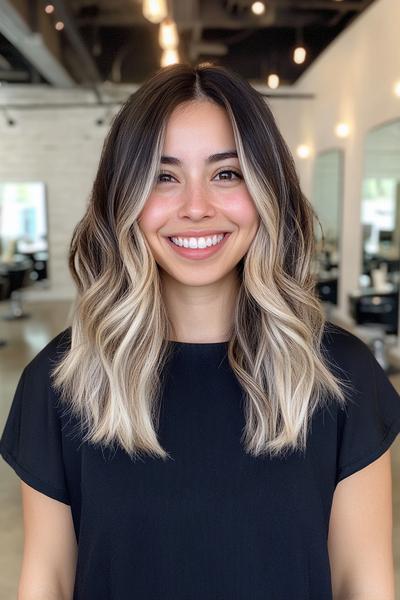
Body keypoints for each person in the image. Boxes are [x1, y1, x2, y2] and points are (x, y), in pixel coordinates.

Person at [1, 63, 400, 600]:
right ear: (125, 198)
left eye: (226, 173)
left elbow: (365, 583)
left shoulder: (341, 377)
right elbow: (46, 581)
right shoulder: (60, 382)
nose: (195, 207)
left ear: (266, 191)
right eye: (164, 176)